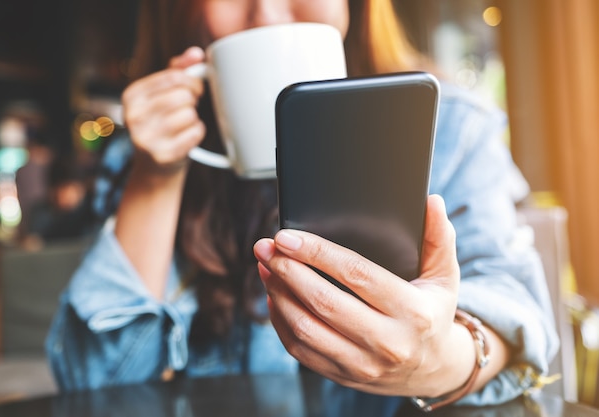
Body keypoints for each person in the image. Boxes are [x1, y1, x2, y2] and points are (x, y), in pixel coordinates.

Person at [46, 0, 559, 410]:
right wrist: (156, 176)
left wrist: (435, 359)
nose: (266, 13)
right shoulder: (143, 153)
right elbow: (93, 386)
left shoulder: (448, 127)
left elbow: (520, 312)